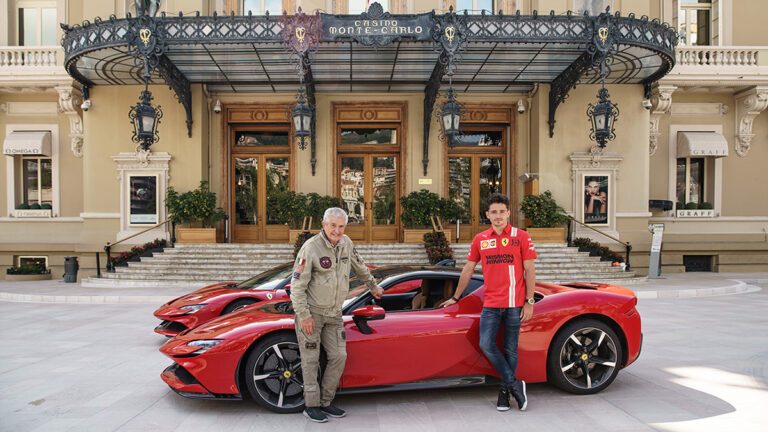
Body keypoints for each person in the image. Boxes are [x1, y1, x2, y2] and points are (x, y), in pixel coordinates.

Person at [441, 193, 536, 411]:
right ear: (487, 214)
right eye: (494, 212)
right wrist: (455, 297)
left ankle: (504, 393)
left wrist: (529, 301)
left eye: (502, 211)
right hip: (491, 304)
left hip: (515, 304)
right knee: (486, 344)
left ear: (509, 213)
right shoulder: (480, 239)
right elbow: (467, 269)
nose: (498, 215)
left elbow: (530, 269)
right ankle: (514, 383)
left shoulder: (521, 237)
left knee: (511, 349)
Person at [290, 207, 383, 423]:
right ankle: (311, 406)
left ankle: (326, 402)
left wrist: (373, 286)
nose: (337, 231)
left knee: (339, 356)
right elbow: (297, 285)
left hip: (334, 313)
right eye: (333, 225)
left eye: (341, 226)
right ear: (324, 225)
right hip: (312, 313)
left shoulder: (346, 243)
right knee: (310, 360)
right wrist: (304, 315)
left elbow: (359, 266)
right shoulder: (310, 248)